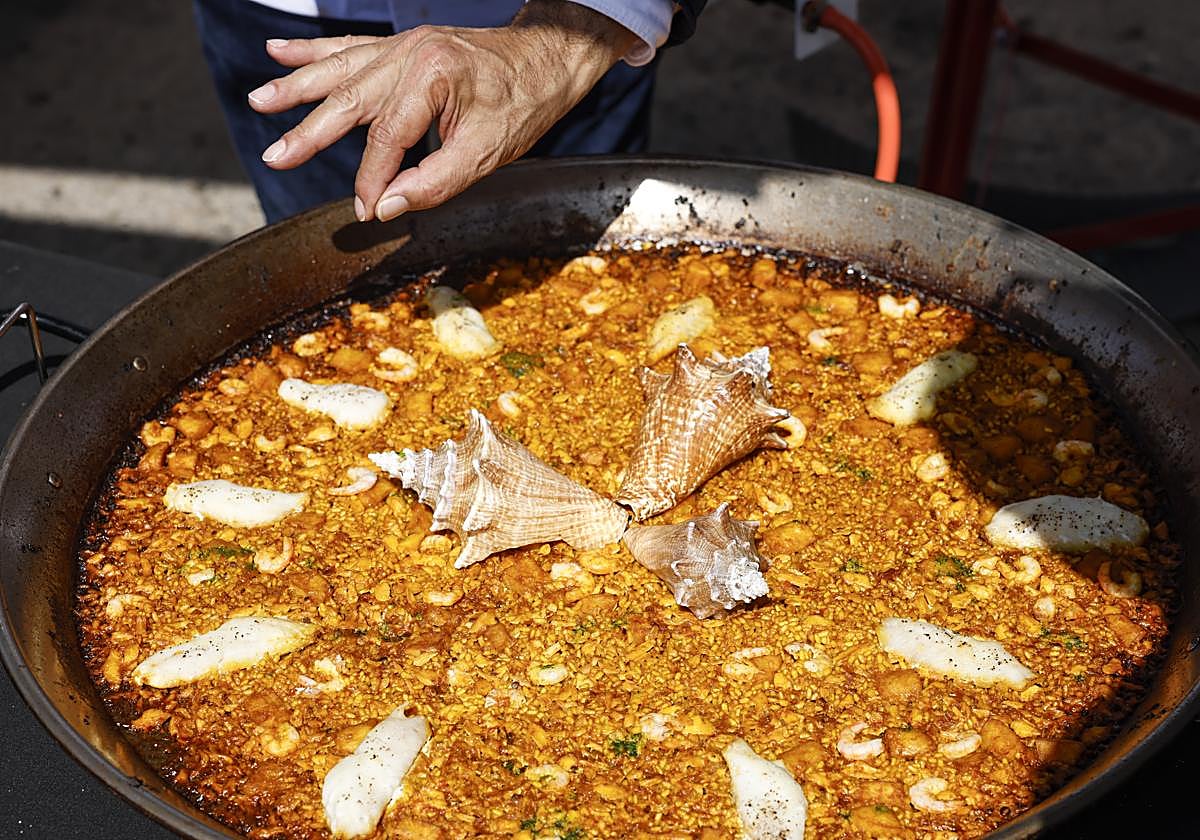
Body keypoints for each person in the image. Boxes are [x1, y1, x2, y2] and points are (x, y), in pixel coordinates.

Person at [194, 1, 708, 223]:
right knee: (317, 265)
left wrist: (567, 38)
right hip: (284, 16)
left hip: (567, 20)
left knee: (583, 257)